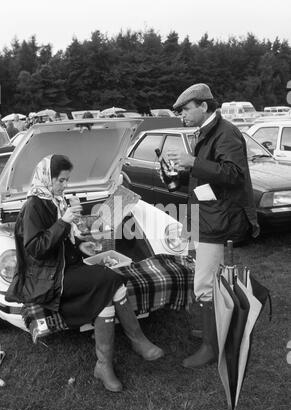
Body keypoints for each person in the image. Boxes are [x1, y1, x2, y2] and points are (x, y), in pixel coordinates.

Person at [6, 154, 163, 392]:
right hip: (50, 280)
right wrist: (64, 222)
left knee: (106, 296)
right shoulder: (34, 206)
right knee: (111, 278)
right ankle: (137, 341)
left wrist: (80, 246)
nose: (65, 186)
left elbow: (62, 244)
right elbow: (35, 249)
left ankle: (104, 365)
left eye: (67, 180)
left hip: (67, 267)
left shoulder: (56, 200)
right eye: (60, 180)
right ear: (47, 178)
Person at [165, 83, 259, 369]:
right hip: (206, 215)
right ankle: (212, 328)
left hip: (218, 220)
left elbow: (233, 175)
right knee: (208, 279)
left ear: (203, 106)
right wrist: (177, 176)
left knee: (204, 283)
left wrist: (193, 162)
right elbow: (206, 178)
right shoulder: (207, 133)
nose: (181, 115)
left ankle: (211, 345)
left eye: (185, 109)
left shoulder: (226, 132)